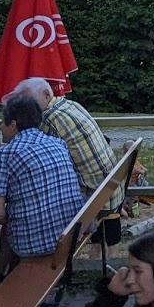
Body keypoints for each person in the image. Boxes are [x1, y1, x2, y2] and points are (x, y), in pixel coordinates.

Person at [13, 77, 124, 246]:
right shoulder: (70, 105)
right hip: (109, 189)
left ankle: (31, 260)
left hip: (93, 198)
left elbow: (34, 160)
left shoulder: (48, 119)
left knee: (23, 209)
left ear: (45, 94)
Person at [0, 93, 84, 266]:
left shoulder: (5, 154)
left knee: (12, 220)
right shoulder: (57, 143)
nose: (0, 127)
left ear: (14, 124)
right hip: (70, 235)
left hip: (34, 246)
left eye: (3, 122)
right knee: (20, 214)